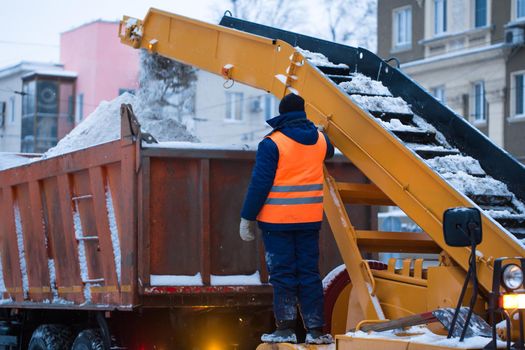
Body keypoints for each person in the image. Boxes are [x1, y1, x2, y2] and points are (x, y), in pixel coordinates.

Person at [239, 93, 335, 345]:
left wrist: (247, 217)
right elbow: (330, 150)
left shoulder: (272, 143)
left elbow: (260, 184)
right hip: (309, 220)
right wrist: (319, 131)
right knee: (309, 274)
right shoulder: (320, 141)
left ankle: (285, 328)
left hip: (277, 223)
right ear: (303, 113)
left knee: (283, 275)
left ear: (282, 114)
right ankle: (316, 329)